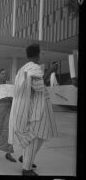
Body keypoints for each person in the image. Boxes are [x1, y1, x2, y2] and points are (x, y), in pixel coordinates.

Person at [8, 44, 58, 176]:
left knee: (41, 135)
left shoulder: (22, 69)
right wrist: (50, 71)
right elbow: (38, 86)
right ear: (38, 54)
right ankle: (26, 169)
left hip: (29, 108)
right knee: (34, 137)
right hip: (34, 110)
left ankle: (26, 158)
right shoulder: (34, 68)